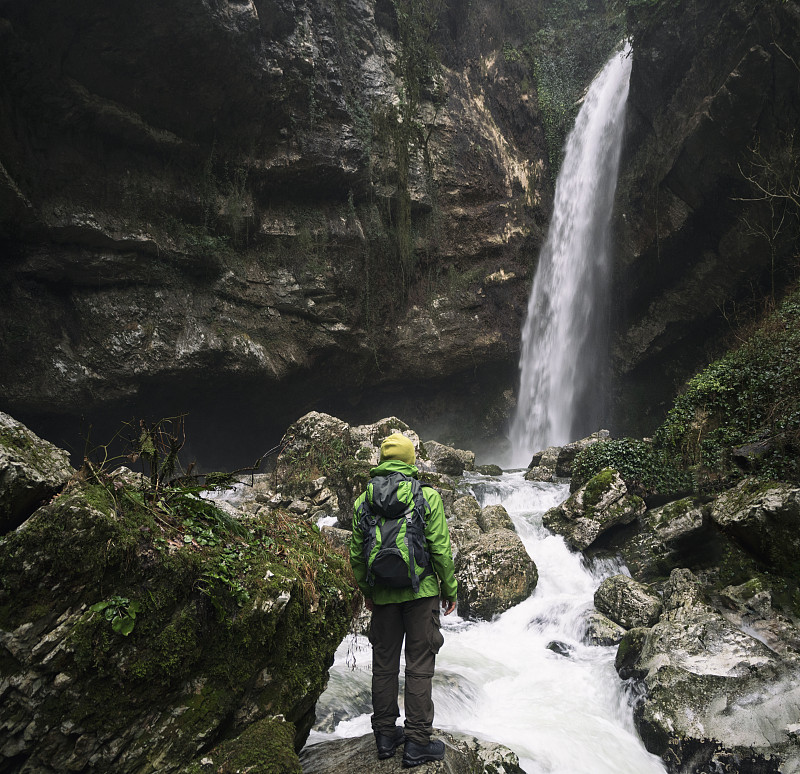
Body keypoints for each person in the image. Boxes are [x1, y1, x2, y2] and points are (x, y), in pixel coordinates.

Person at [350, 432, 458, 768]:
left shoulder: (363, 501)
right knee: (419, 667)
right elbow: (440, 549)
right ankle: (416, 742)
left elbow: (356, 554)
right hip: (421, 592)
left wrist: (368, 593)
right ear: (412, 460)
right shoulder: (426, 497)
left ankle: (384, 736)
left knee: (383, 666)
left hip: (382, 594)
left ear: (381, 461)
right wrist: (450, 590)